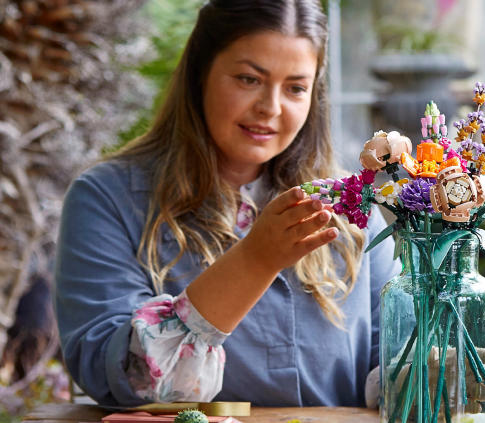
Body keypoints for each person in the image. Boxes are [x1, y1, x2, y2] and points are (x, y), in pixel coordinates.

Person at [53, 0, 399, 407]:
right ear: (201, 73)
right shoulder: (106, 199)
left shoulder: (350, 206)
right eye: (249, 79)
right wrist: (255, 260)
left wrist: (428, 371)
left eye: (295, 88)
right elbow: (116, 374)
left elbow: (391, 356)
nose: (270, 107)